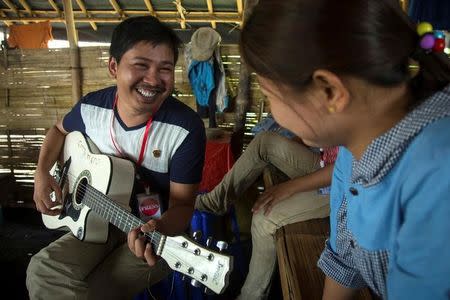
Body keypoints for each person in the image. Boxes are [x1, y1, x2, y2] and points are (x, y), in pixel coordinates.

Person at [240, 0, 450, 299]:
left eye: (269, 95)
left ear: (330, 92)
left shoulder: (437, 176)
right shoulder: (355, 152)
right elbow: (345, 256)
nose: (273, 113)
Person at [27, 16, 206, 300]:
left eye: (165, 69)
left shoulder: (185, 129)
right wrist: (42, 171)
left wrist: (155, 229)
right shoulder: (90, 108)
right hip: (93, 221)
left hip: (152, 232)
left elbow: (183, 206)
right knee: (42, 271)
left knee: (93, 291)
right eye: (141, 65)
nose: (153, 80)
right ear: (114, 66)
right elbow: (58, 130)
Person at [196, 124, 337, 299]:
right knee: (265, 142)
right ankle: (215, 201)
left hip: (346, 189)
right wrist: (289, 148)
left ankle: (251, 296)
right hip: (327, 164)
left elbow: (349, 169)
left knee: (265, 216)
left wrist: (290, 187)